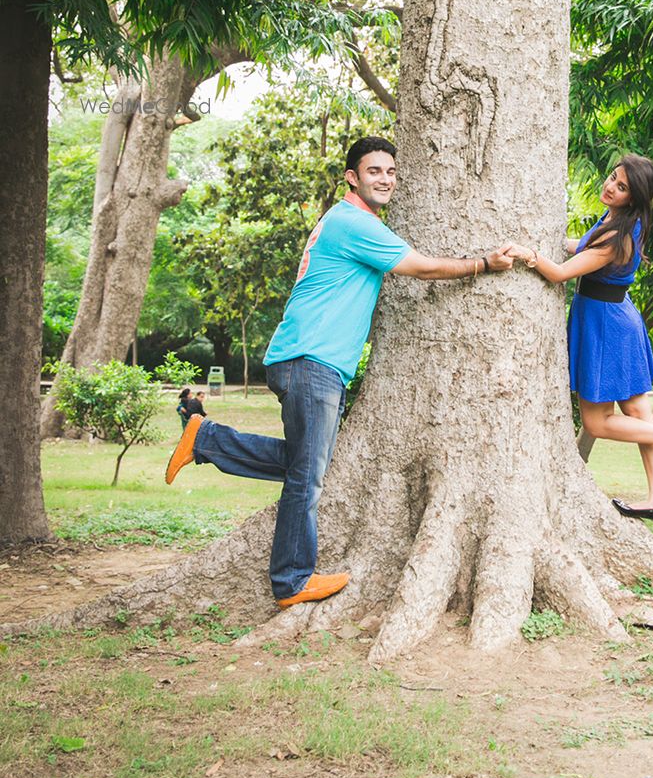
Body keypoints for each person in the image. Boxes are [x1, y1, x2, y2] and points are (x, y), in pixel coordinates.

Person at [164, 136, 516, 608]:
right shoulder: (353, 222)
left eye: (391, 172)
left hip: (307, 361)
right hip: (312, 362)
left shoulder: (348, 221)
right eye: (374, 171)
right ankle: (291, 582)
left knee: (306, 465)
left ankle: (204, 439)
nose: (385, 180)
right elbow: (421, 268)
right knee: (306, 479)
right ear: (352, 177)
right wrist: (484, 264)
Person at [517, 154, 653, 523]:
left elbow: (561, 274)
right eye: (613, 178)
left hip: (606, 326)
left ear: (634, 197)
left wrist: (527, 254)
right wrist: (558, 240)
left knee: (597, 423)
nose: (610, 186)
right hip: (617, 319)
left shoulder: (618, 236)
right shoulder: (622, 221)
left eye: (622, 187)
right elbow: (585, 250)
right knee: (639, 412)